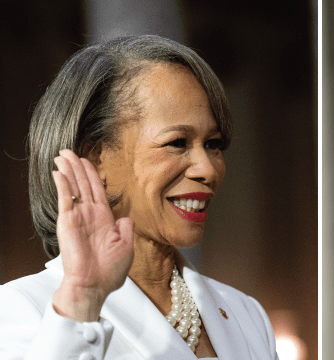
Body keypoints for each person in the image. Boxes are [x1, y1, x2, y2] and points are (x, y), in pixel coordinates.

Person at [0, 35, 278, 359]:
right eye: (177, 142)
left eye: (214, 144)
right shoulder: (23, 309)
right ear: (96, 157)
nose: (208, 169)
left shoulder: (247, 314)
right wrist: (83, 297)